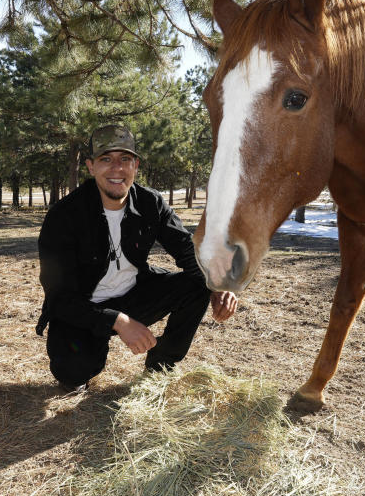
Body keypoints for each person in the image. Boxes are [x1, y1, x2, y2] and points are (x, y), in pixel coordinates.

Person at [36, 123, 238, 388]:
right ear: (90, 166)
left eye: (125, 159)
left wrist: (220, 285)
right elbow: (59, 299)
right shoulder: (64, 216)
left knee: (198, 282)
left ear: (136, 165)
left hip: (134, 294)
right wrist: (117, 321)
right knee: (73, 373)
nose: (117, 169)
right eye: (106, 159)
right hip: (85, 307)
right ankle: (84, 359)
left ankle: (160, 366)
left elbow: (188, 252)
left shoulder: (150, 203)